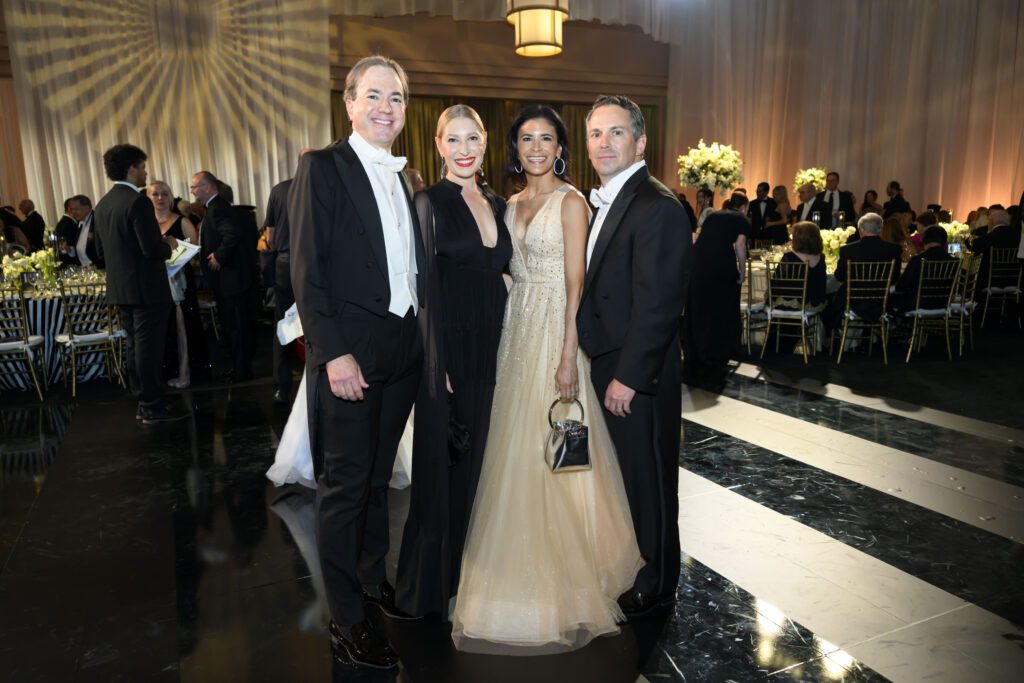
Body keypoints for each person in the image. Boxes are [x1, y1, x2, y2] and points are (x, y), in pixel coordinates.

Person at [451, 104, 642, 653]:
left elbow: (576, 283)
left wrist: (567, 354)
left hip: (556, 333)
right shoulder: (509, 203)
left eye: (548, 139)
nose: (537, 147)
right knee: (514, 451)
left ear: (562, 148)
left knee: (557, 451)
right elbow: (508, 270)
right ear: (515, 148)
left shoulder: (572, 202)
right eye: (527, 139)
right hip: (517, 331)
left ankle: (577, 572)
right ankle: (512, 568)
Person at [289, 55, 425, 670]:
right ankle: (345, 617)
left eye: (395, 97)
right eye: (373, 95)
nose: (385, 108)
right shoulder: (321, 168)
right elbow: (307, 273)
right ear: (348, 103)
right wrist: (332, 352)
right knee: (343, 490)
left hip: (401, 352)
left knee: (375, 480)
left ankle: (371, 582)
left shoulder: (404, 178)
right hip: (350, 355)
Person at [395, 105, 512, 619]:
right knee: (447, 465)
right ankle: (431, 584)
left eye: (473, 139)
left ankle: (477, 576)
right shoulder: (427, 202)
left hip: (497, 342)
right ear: (439, 146)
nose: (465, 150)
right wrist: (434, 361)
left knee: (486, 460)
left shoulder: (496, 200)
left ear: (484, 144)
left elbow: (504, 272)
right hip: (450, 348)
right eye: (454, 140)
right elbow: (424, 289)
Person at [579, 95, 692, 618]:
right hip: (605, 363)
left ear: (641, 142)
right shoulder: (604, 199)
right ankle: (634, 565)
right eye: (596, 133)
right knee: (624, 478)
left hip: (636, 373)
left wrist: (627, 377)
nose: (604, 143)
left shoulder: (658, 205)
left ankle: (658, 580)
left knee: (649, 479)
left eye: (616, 132)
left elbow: (660, 304)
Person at [92, 144, 185, 424]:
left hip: (120, 288)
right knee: (148, 348)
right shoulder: (138, 201)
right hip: (146, 288)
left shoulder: (104, 203)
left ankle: (143, 401)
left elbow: (98, 253)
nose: (145, 172)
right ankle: (152, 406)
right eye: (143, 167)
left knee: (134, 346)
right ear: (132, 168)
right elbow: (152, 249)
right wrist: (168, 243)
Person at [192, 170, 255, 381]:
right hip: (230, 280)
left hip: (231, 281)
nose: (192, 192)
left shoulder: (217, 207)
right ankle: (239, 368)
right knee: (234, 326)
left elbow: (232, 234)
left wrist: (219, 255)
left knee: (236, 327)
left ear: (207, 187)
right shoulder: (215, 207)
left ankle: (241, 371)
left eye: (195, 187)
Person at [265, 149, 313, 404]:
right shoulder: (322, 188)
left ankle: (281, 387)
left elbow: (270, 236)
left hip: (284, 262)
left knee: (283, 324)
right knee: (317, 323)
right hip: (314, 263)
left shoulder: (279, 189)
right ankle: (314, 385)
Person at [684, 191, 749, 369]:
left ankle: (696, 351)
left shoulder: (715, 215)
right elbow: (740, 245)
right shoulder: (742, 219)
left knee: (700, 305)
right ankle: (717, 351)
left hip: (697, 261)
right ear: (744, 207)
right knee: (721, 306)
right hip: (720, 263)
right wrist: (742, 272)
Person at [149, 180, 203, 389]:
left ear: (170, 197)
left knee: (181, 326)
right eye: (155, 194)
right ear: (149, 198)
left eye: (164, 194)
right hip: (153, 284)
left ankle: (184, 373)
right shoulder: (145, 224)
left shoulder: (182, 222)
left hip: (178, 281)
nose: (160, 198)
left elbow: (194, 251)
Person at [890, 225, 955, 313]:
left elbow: (902, 286)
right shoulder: (954, 261)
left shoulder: (918, 260)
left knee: (889, 298)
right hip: (943, 303)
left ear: (924, 240)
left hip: (918, 304)